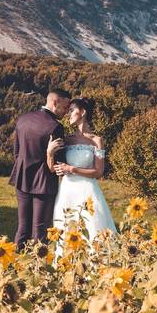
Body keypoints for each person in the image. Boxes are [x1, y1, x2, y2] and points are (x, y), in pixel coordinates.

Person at [48, 98, 117, 252]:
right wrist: (50, 154)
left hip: (88, 192)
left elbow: (98, 172)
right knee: (66, 227)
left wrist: (72, 169)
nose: (68, 114)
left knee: (92, 228)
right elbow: (54, 167)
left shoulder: (97, 141)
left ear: (83, 112)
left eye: (72, 110)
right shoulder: (67, 140)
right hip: (67, 190)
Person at [9, 88, 71, 248]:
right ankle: (39, 265)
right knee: (40, 229)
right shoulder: (55, 127)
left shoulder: (23, 119)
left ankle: (16, 258)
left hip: (22, 177)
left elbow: (17, 151)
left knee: (22, 226)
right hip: (43, 182)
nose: (65, 112)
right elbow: (57, 165)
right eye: (64, 107)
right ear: (54, 102)